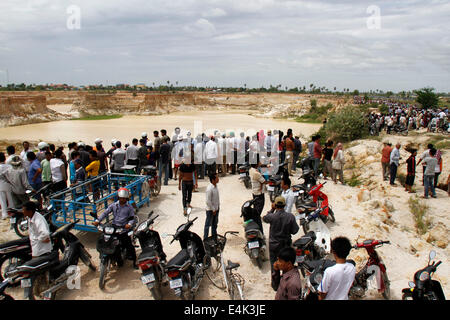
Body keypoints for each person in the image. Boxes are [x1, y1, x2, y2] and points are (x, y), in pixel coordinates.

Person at [93, 188, 138, 269]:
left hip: (123, 229)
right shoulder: (114, 205)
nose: (122, 200)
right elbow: (105, 213)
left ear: (126, 198)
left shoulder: (129, 207)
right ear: (118, 197)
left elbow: (132, 218)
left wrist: (129, 224)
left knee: (129, 246)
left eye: (124, 198)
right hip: (114, 227)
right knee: (107, 240)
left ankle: (135, 262)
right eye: (121, 198)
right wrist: (97, 220)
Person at [263, 196, 299, 291]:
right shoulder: (290, 217)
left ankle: (275, 285)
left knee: (274, 264)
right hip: (285, 245)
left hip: (274, 246)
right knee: (286, 265)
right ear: (284, 205)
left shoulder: (272, 216)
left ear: (275, 204)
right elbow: (295, 230)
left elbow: (264, 218)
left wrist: (271, 209)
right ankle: (285, 283)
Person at [249, 162, 267, 230]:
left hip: (255, 192)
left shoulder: (251, 170)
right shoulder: (256, 173)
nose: (260, 163)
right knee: (258, 211)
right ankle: (255, 225)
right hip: (259, 193)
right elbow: (264, 181)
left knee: (256, 208)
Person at [204, 173, 220, 240]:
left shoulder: (215, 187)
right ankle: (205, 238)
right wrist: (213, 209)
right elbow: (208, 201)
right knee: (208, 225)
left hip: (216, 209)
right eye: (216, 178)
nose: (218, 179)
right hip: (210, 210)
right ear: (213, 180)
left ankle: (214, 237)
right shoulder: (209, 189)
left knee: (214, 224)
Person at [0, 152, 14, 219]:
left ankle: (4, 213)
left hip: (1, 185)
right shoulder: (9, 166)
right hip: (9, 184)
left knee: (2, 200)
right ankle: (12, 212)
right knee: (10, 199)